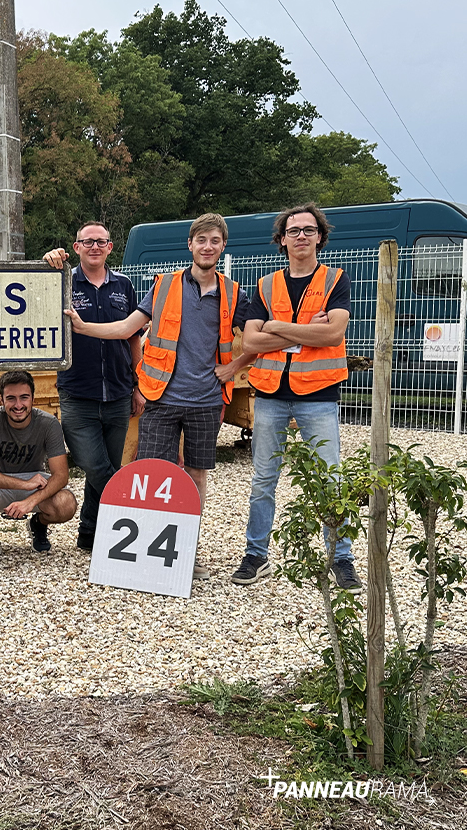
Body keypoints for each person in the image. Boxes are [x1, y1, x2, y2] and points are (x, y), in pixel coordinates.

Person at [64, 213, 251, 579]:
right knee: (152, 478)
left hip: (207, 401)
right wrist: (84, 328)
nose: (208, 247)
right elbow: (127, 328)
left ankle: (186, 552)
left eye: (214, 241)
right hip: (162, 399)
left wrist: (236, 366)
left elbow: (259, 334)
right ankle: (148, 554)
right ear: (190, 244)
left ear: (223, 246)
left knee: (196, 477)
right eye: (201, 240)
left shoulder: (234, 293)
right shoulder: (164, 286)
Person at [231, 202, 362, 592]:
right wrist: (305, 330)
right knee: (263, 480)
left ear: (320, 237)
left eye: (308, 230)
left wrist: (277, 326)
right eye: (293, 231)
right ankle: (256, 555)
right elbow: (251, 342)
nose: (301, 236)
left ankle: (340, 559)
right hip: (271, 393)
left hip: (319, 394)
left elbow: (332, 334)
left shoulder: (336, 280)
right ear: (282, 239)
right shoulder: (265, 285)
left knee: (330, 479)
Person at [42, 221, 144, 552]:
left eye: (101, 241)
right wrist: (45, 263)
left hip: (118, 392)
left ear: (110, 247)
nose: (95, 247)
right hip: (77, 393)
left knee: (105, 466)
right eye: (88, 242)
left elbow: (133, 336)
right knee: (97, 466)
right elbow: (36, 298)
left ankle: (89, 532)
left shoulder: (124, 285)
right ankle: (134, 515)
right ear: (76, 248)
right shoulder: (63, 282)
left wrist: (138, 385)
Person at [0, 370, 78, 556]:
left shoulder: (48, 423)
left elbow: (61, 475)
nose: (18, 405)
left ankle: (38, 524)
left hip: (35, 483)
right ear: (1, 400)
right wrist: (23, 484)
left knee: (66, 504)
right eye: (11, 398)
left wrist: (30, 501)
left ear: (33, 399)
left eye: (24, 397)